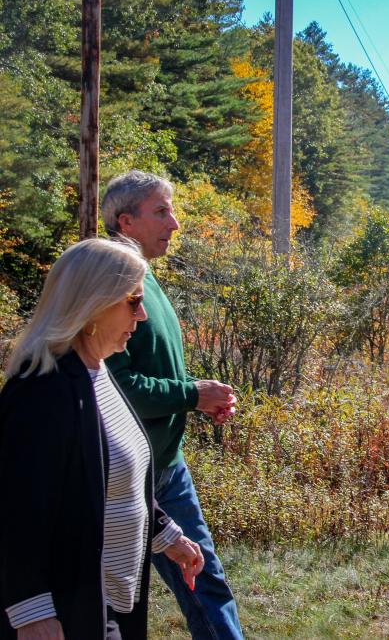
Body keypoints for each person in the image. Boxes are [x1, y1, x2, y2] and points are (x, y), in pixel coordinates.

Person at [1, 238, 204, 640]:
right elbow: (14, 510)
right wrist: (30, 611)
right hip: (65, 608)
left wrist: (166, 535)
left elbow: (114, 480)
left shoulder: (96, 371)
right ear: (93, 304)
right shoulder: (43, 390)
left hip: (112, 597)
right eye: (133, 302)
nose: (142, 316)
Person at [101, 171, 243, 639]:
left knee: (204, 579)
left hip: (165, 464)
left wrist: (198, 393)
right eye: (161, 212)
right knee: (117, 604)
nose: (175, 223)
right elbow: (115, 387)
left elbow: (149, 370)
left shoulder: (142, 276)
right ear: (126, 221)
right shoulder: (112, 280)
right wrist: (189, 395)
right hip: (125, 474)